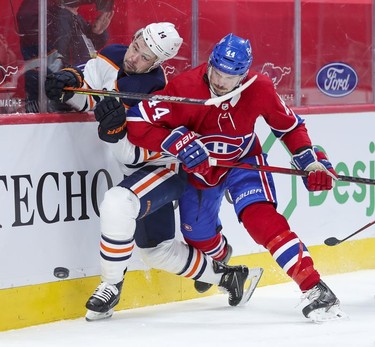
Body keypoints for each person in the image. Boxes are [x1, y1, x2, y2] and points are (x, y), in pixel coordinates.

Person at [44, 23, 262, 321]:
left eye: (146, 57)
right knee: (157, 250)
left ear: (158, 64)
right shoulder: (113, 55)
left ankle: (110, 285)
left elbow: (136, 152)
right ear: (132, 38)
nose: (135, 58)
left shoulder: (153, 91)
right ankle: (229, 278)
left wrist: (117, 134)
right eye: (136, 48)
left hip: (161, 165)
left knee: (118, 203)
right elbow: (90, 90)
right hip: (134, 168)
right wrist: (68, 84)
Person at [125, 33, 348, 323]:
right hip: (201, 172)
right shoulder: (185, 87)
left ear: (243, 75)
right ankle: (221, 253)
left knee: (261, 219)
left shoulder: (260, 88)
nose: (219, 81)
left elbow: (289, 127)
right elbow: (138, 122)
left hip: (245, 163)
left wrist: (310, 162)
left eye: (229, 77)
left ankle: (314, 286)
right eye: (216, 72)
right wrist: (174, 141)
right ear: (210, 64)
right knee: (198, 237)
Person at [16, 0, 114, 112]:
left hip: (76, 102)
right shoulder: (51, 17)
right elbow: (27, 16)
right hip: (54, 105)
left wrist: (96, 33)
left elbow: (82, 52)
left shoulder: (74, 19)